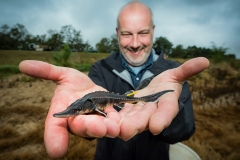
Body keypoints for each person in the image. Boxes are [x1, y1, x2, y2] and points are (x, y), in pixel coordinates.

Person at [19, 1, 209, 160]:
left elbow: (186, 131)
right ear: (117, 33)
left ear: (153, 31)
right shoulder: (100, 69)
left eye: (142, 32)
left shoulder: (173, 72)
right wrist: (79, 120)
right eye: (127, 34)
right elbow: (91, 127)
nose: (135, 43)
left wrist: (169, 111)